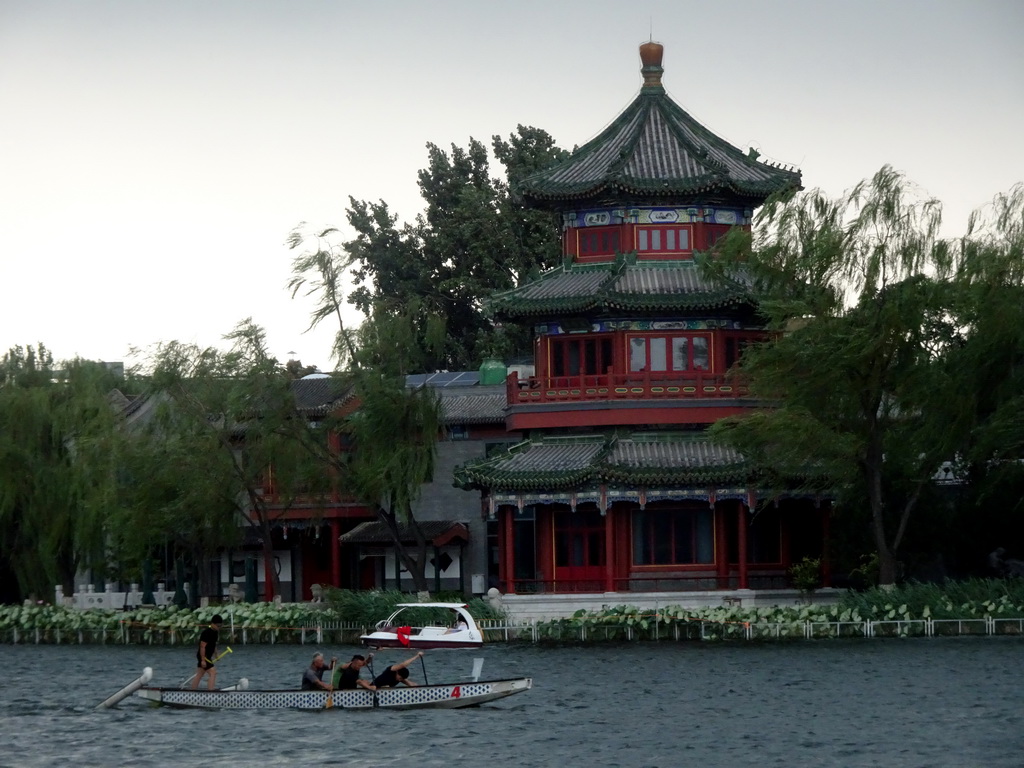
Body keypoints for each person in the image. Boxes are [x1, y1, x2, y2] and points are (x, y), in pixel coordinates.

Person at [192, 614, 223, 690]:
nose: (219, 628)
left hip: (208, 657)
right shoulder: (206, 633)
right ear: (213, 624)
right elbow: (202, 646)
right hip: (203, 656)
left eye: (220, 626)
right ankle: (210, 691)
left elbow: (214, 644)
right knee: (213, 672)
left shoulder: (215, 632)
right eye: (218, 626)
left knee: (200, 674)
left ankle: (192, 691)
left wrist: (216, 654)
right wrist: (203, 660)